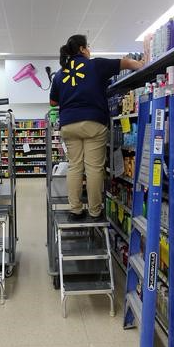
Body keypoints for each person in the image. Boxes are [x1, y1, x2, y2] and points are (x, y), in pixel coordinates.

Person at [50, 34, 144, 221]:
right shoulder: (95, 65)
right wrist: (141, 64)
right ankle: (94, 211)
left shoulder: (60, 73)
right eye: (88, 47)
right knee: (93, 168)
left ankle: (75, 210)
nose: (90, 50)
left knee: (75, 167)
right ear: (83, 49)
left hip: (68, 124)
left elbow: (53, 101)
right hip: (92, 122)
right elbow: (124, 63)